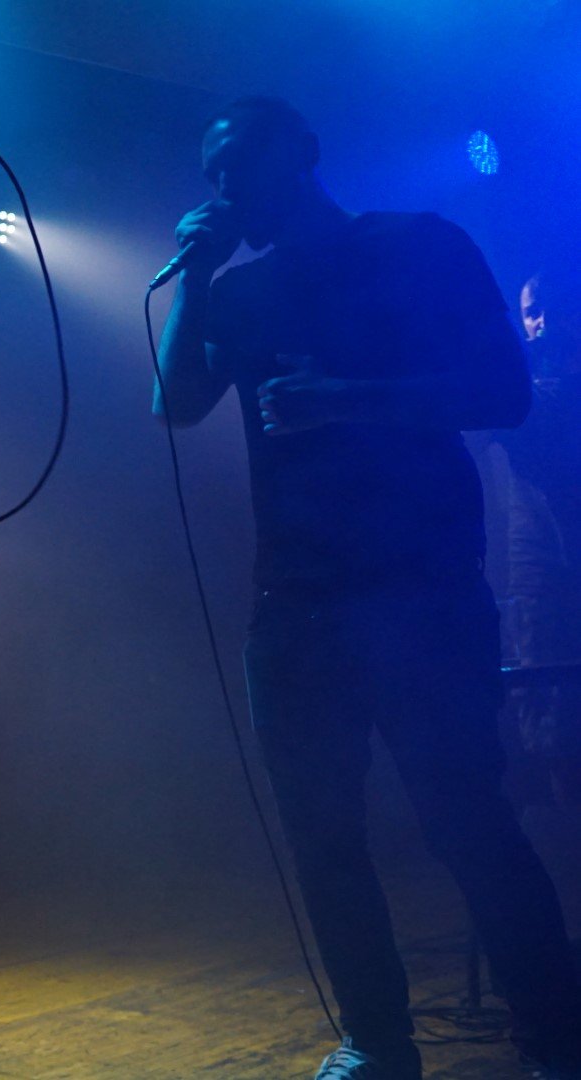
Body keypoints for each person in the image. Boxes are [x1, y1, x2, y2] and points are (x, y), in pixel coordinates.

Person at [152, 96, 581, 1080]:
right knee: (322, 837)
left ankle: (558, 1041)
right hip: (293, 600)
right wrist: (198, 277)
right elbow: (172, 404)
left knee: (466, 819)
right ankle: (376, 1042)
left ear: (304, 151)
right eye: (213, 174)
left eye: (240, 160)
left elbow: (505, 393)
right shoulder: (239, 289)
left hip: (420, 587)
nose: (226, 186)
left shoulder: (419, 245)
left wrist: (351, 400)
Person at [494, 268, 581, 808]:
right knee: (549, 698)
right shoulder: (516, 385)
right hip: (541, 566)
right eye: (531, 312)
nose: (541, 321)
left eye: (551, 308)